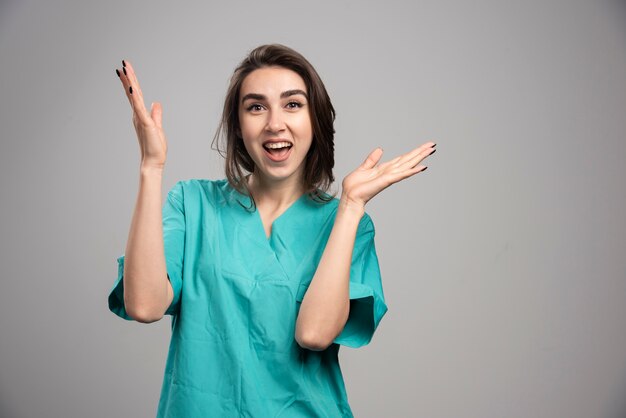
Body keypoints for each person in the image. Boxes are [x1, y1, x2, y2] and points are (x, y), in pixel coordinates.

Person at [108, 44, 436, 417]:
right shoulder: (192, 204)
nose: (274, 123)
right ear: (238, 124)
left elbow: (313, 335)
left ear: (316, 120)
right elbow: (144, 305)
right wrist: (151, 167)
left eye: (293, 104)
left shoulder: (346, 224)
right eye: (256, 107)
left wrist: (350, 207)